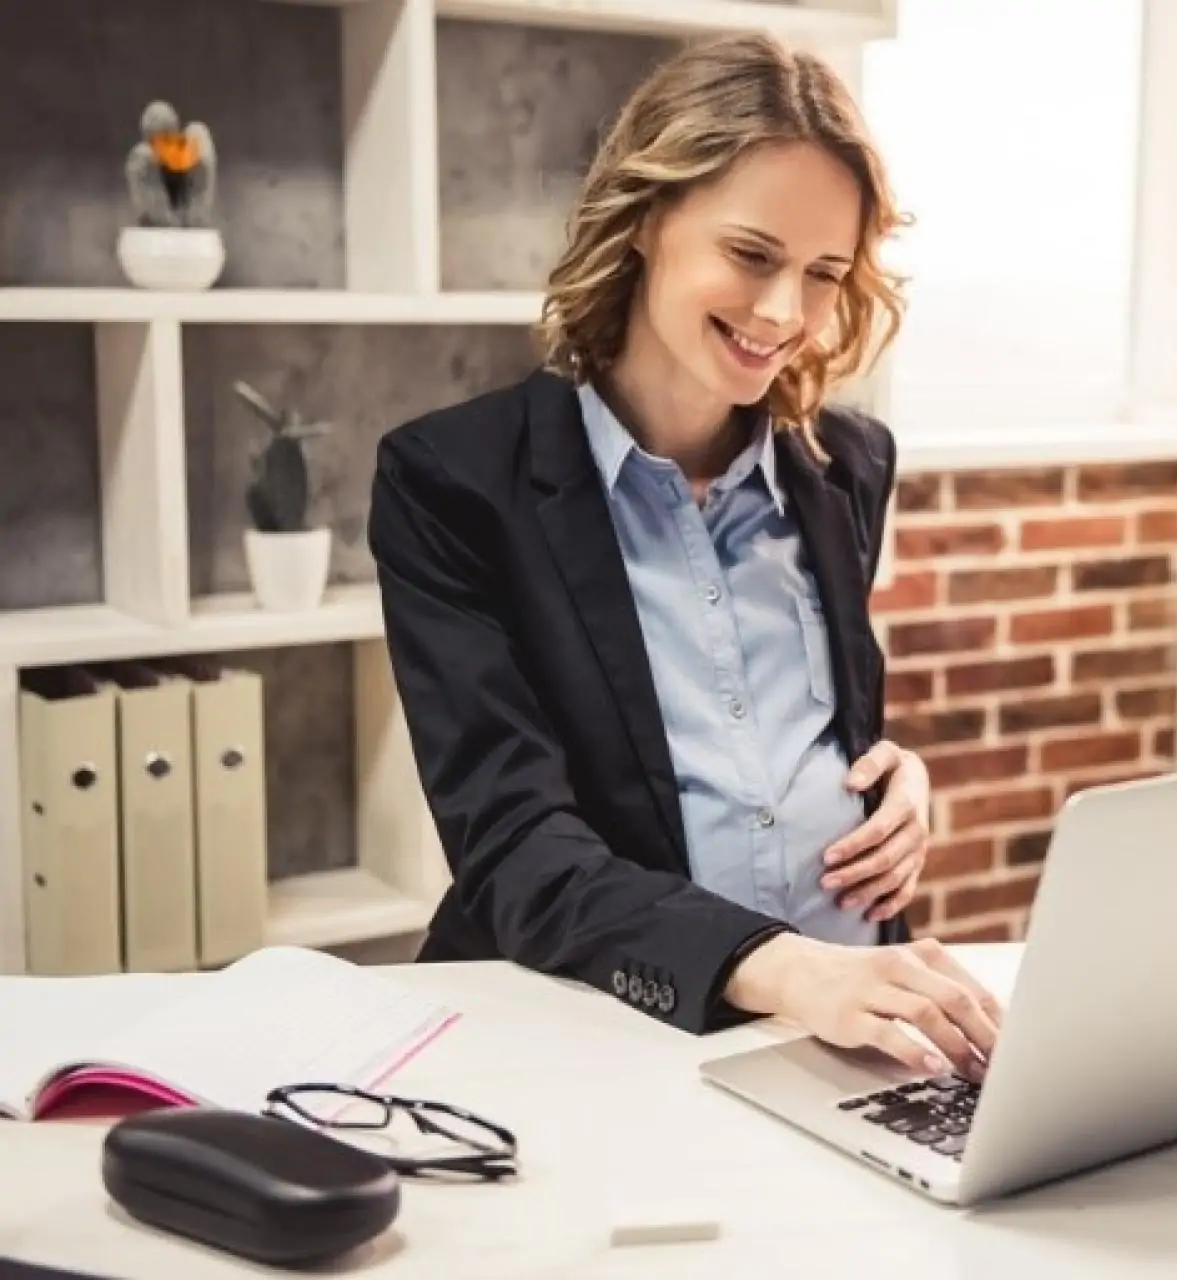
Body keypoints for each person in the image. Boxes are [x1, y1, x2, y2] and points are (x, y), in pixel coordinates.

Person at [365, 34, 999, 1081]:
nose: (784, 314)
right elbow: (518, 850)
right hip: (621, 1032)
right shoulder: (453, 481)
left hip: (855, 1041)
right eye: (751, 255)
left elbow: (788, 728)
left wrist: (893, 783)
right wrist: (782, 968)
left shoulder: (848, 465)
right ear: (647, 218)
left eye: (824, 274)